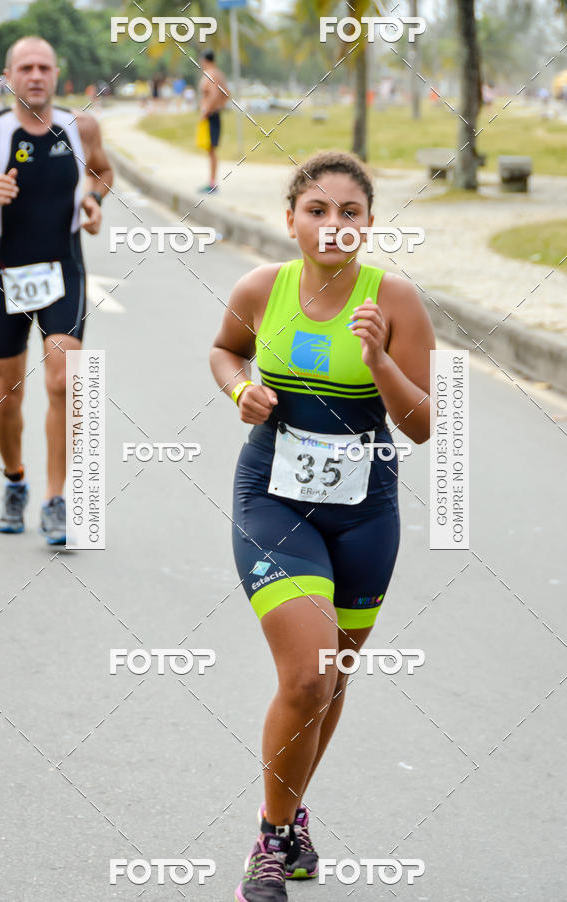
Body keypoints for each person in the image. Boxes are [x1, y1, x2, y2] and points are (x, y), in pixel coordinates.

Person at [210, 150, 435, 901]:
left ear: (368, 226)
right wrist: (240, 387)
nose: (333, 226)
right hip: (272, 497)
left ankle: (291, 817)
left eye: (350, 213)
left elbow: (424, 425)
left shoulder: (395, 301)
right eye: (318, 211)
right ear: (291, 220)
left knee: (330, 683)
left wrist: (377, 359)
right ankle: (270, 844)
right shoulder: (260, 287)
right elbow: (224, 351)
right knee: (306, 673)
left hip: (366, 510)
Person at [0, 35, 113, 543]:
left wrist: (93, 199)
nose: (35, 75)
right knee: (7, 396)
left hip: (63, 271)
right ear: (7, 76)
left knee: (63, 381)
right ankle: (15, 481)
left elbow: (103, 170)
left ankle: (56, 498)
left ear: (56, 74)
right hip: (5, 272)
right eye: (25, 67)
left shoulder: (82, 125)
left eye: (44, 67)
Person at [197, 50, 229, 193]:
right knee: (210, 150)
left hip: (211, 115)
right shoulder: (219, 74)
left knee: (211, 150)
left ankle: (212, 183)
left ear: (205, 60)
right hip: (214, 114)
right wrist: (220, 106)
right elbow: (226, 93)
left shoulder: (211, 74)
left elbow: (215, 93)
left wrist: (207, 109)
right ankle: (211, 181)